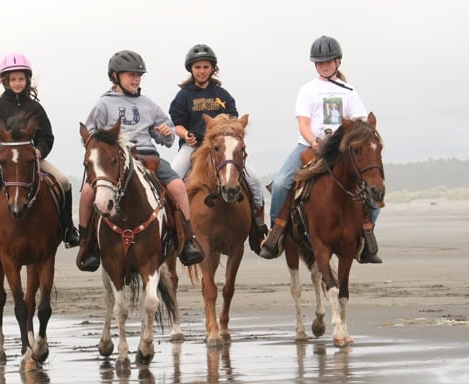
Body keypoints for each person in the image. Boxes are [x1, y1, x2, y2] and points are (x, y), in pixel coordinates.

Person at [75, 49, 204, 272]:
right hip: (115, 162)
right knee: (87, 193)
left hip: (148, 157)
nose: (136, 79)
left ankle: (188, 239)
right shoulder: (103, 104)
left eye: (139, 75)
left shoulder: (149, 104)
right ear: (115, 76)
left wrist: (165, 132)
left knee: (177, 186)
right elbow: (90, 138)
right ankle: (86, 245)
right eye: (131, 74)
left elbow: (168, 138)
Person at [260, 36, 382, 263]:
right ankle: (276, 232)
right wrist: (314, 141)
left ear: (338, 62)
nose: (324, 65)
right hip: (309, 145)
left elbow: (360, 124)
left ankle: (367, 233)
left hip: (342, 150)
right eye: (320, 62)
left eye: (328, 61)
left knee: (374, 189)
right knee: (280, 183)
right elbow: (303, 123)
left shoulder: (349, 91)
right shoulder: (308, 90)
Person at [0, 52, 80, 249]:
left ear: (27, 80)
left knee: (63, 182)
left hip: (31, 159)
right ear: (6, 81)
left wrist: (40, 152)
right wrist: (0, 154)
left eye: (21, 78)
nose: (17, 82)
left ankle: (68, 228)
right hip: (6, 161)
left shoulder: (35, 108)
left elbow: (46, 136)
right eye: (13, 79)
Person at [169, 44, 268, 254]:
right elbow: (176, 123)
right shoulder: (184, 96)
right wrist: (185, 134)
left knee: (255, 181)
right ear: (191, 69)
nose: (202, 70)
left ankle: (258, 225)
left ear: (213, 68)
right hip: (193, 147)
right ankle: (170, 226)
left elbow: (234, 122)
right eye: (197, 67)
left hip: (223, 150)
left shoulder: (222, 94)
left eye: (206, 66)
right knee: (171, 177)